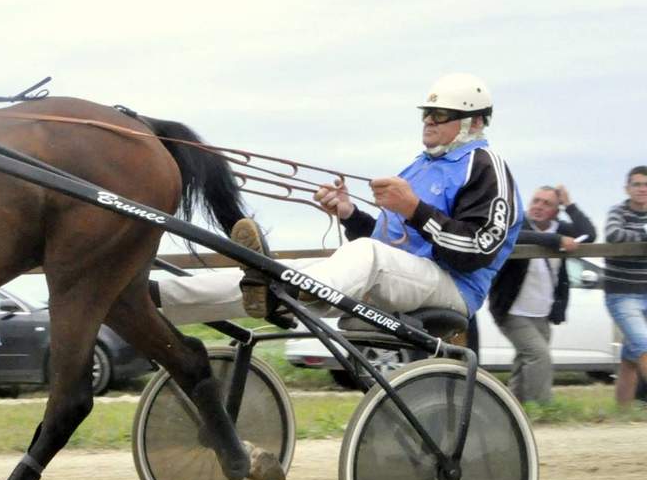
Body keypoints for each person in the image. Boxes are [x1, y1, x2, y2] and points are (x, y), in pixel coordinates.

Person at [158, 73, 522, 330]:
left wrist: (413, 209)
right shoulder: (421, 166)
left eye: (439, 115)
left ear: (474, 123)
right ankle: (156, 297)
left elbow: (478, 251)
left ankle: (291, 289)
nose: (428, 121)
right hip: (399, 275)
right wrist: (349, 214)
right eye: (425, 113)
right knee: (265, 277)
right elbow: (388, 244)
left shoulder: (486, 167)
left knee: (355, 259)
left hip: (454, 287)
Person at [488, 186, 596, 403]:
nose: (538, 206)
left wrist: (570, 205)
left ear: (557, 211)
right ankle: (543, 408)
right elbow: (514, 236)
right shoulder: (518, 224)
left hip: (542, 312)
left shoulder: (561, 227)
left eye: (547, 203)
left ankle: (513, 408)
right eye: (536, 200)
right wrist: (555, 241)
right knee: (539, 356)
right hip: (512, 310)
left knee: (524, 361)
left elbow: (591, 234)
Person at [604, 165, 647, 407]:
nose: (642, 189)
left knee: (631, 358)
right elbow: (613, 235)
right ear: (627, 188)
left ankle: (622, 415)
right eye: (637, 184)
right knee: (644, 345)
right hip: (623, 294)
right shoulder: (617, 212)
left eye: (645, 184)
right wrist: (644, 232)